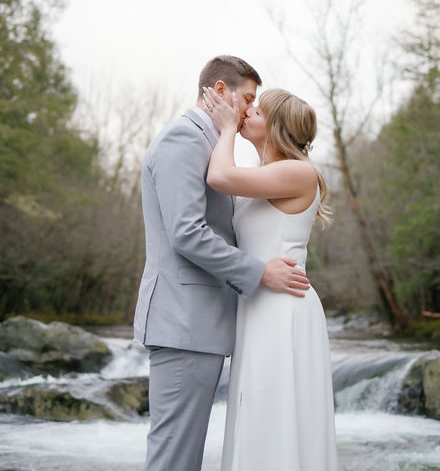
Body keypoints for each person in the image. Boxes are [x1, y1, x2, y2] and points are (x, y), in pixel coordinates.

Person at [133, 55, 311, 471]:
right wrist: (259, 272)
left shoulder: (212, 146)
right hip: (184, 324)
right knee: (174, 455)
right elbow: (186, 232)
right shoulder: (185, 139)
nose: (250, 109)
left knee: (183, 453)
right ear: (219, 91)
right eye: (247, 98)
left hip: (200, 325)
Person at [200, 85, 338, 471]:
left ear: (275, 127)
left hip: (284, 308)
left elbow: (220, 175)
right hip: (259, 301)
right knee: (256, 404)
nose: (246, 115)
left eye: (256, 112)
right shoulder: (267, 174)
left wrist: (227, 129)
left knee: (275, 405)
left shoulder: (298, 172)